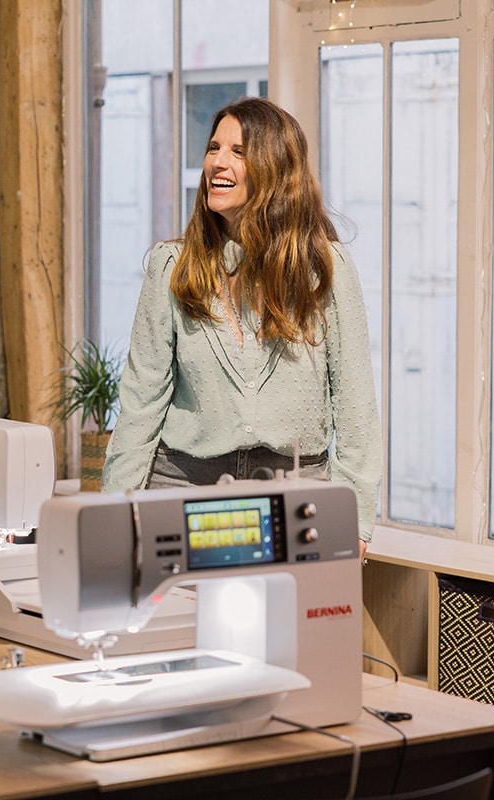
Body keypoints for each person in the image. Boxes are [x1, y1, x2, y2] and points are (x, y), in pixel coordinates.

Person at [101, 96, 382, 559]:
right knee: (182, 631)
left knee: (288, 631)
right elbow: (141, 401)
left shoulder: (326, 268)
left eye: (238, 151)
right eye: (214, 148)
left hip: (294, 496)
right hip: (182, 488)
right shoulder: (172, 267)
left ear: (275, 167)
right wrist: (115, 509)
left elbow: (355, 405)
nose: (218, 162)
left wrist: (355, 519)